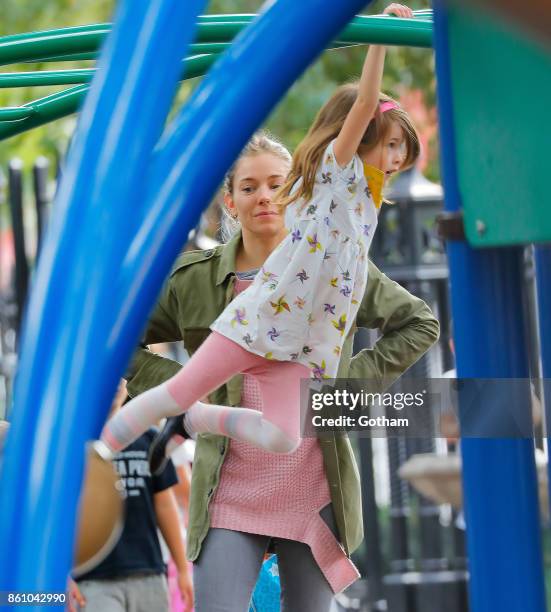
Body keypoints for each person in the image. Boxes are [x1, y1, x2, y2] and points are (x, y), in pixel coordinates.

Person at [111, 130, 438, 609]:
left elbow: (419, 323)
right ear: (230, 200)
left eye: (276, 184)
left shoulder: (335, 267)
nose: (263, 196)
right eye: (249, 187)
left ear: (297, 192)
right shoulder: (193, 279)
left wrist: (343, 391)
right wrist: (184, 398)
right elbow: (120, 342)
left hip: (314, 490)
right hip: (229, 490)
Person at [100, 3, 421, 465]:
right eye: (390, 145)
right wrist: (382, 39)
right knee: (176, 391)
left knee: (283, 437)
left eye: (402, 151)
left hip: (302, 339)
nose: (395, 158)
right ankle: (93, 458)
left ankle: (196, 421)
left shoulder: (368, 198)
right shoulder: (338, 168)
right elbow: (367, 103)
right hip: (263, 319)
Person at [74, 381, 193, 612]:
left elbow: (165, 506)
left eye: (122, 373)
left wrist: (182, 568)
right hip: (94, 580)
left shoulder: (149, 438)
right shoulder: (74, 443)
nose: (116, 382)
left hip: (149, 572)